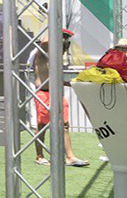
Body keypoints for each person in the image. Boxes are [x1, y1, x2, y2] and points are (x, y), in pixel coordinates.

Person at [32, 30, 87, 166]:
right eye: (63, 41)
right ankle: (39, 156)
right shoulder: (41, 54)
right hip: (44, 94)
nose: (64, 46)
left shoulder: (55, 58)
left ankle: (70, 157)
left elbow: (52, 78)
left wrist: (67, 83)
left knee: (64, 125)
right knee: (42, 126)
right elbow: (45, 41)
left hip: (56, 94)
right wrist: (57, 31)